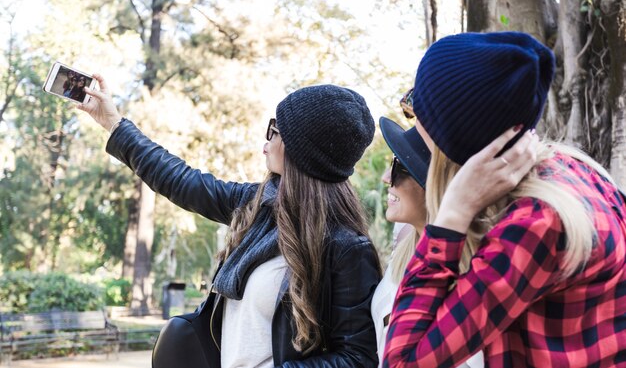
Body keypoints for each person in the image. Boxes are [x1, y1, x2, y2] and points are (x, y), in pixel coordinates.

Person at [78, 76, 382, 367]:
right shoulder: (259, 206)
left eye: (275, 131)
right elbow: (180, 180)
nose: (266, 140)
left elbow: (358, 358)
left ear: (301, 151)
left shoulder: (347, 249)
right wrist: (113, 123)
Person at [382, 31, 626, 367]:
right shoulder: (576, 171)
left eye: (416, 107)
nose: (412, 116)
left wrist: (452, 214)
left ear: (451, 135)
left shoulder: (534, 224)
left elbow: (401, 361)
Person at [371, 113, 483, 368]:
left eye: (400, 166)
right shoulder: (405, 241)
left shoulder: (471, 274)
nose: (386, 177)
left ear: (434, 184)